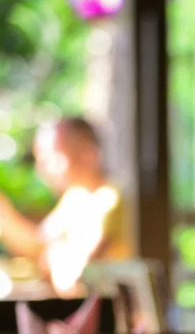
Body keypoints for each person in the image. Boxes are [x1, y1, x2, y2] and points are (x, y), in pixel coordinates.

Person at [0, 117, 131, 293]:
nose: (42, 169)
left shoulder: (109, 200)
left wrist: (53, 256)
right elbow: (39, 246)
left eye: (51, 157)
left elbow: (75, 277)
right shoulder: (75, 198)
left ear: (88, 153)